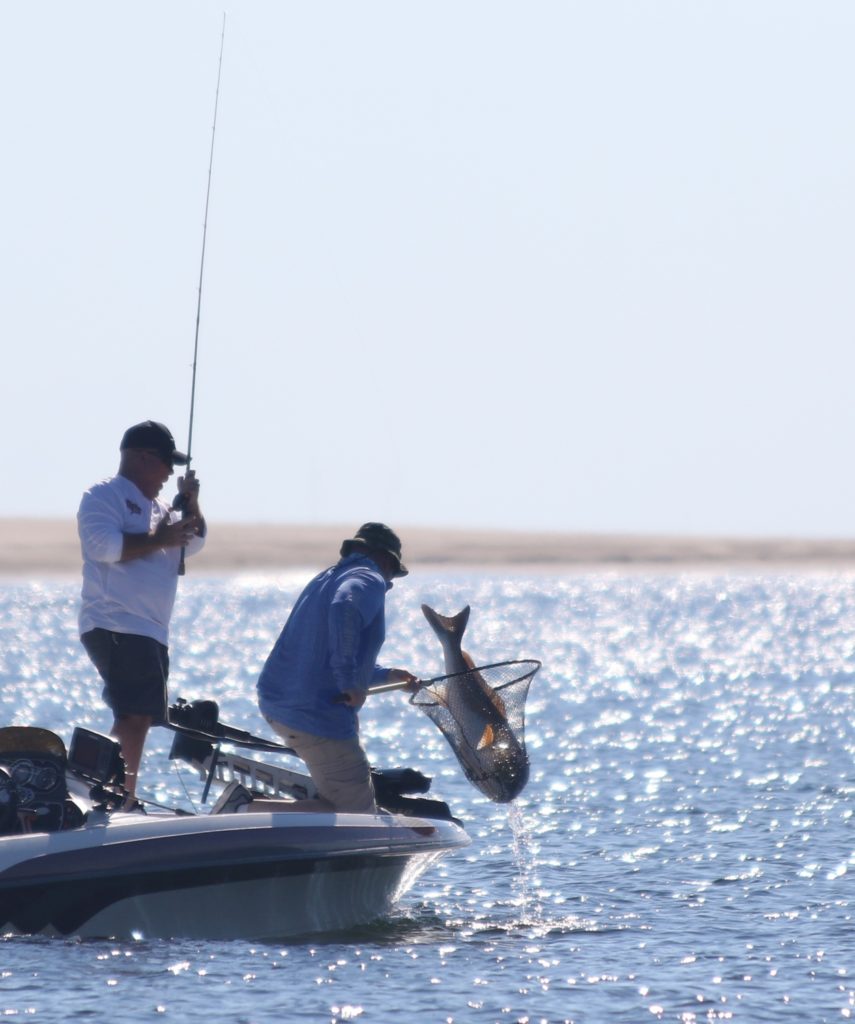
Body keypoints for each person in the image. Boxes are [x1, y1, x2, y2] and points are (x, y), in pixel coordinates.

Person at [220, 523, 415, 815]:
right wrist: (349, 682)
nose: (389, 582)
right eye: (392, 575)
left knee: (340, 806)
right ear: (386, 561)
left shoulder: (328, 577)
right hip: (313, 713)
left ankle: (248, 808)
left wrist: (386, 675)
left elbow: (326, 652)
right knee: (356, 816)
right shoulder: (369, 576)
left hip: (279, 703)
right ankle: (242, 811)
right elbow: (345, 607)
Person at [77, 420, 206, 799]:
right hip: (117, 623)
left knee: (140, 716)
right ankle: (112, 795)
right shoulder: (104, 495)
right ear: (142, 457)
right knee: (134, 715)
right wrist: (158, 538)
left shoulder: (162, 508)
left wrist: (192, 505)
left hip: (149, 630)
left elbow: (193, 544)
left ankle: (115, 792)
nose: (170, 472)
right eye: (167, 462)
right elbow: (103, 546)